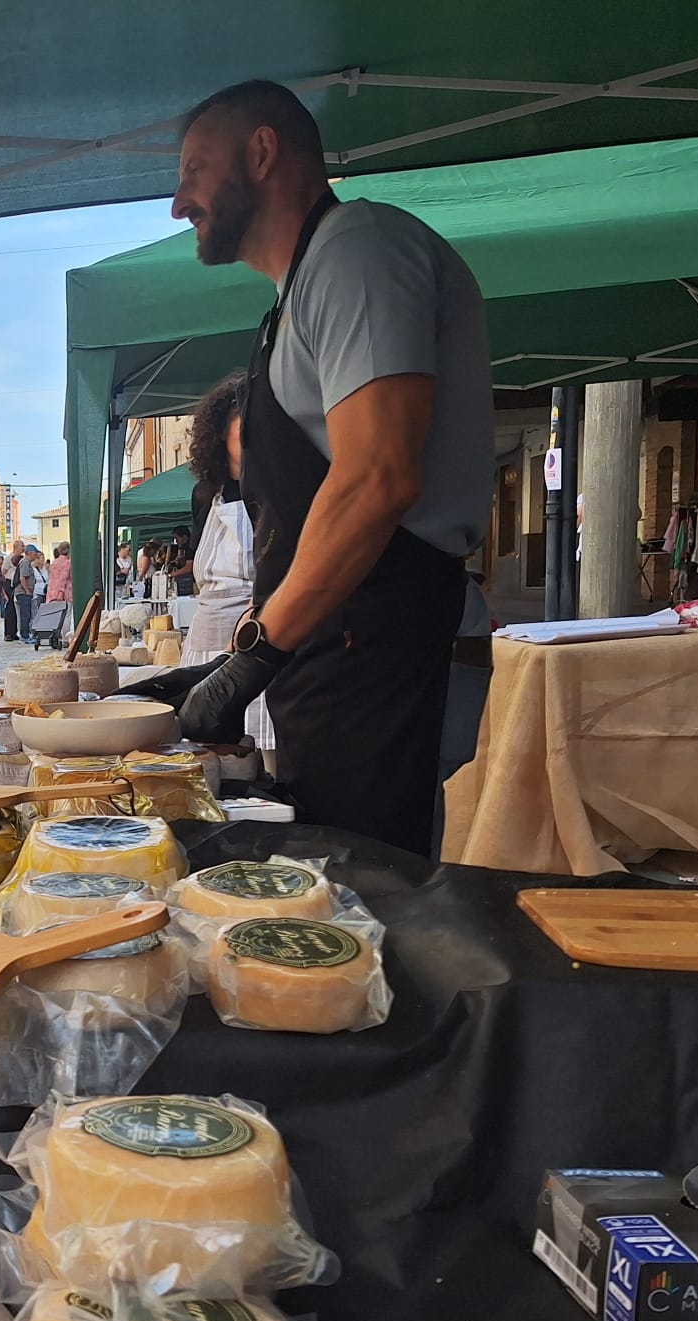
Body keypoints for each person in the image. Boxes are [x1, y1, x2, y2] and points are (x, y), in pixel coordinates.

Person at [144, 78, 491, 855]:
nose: (179, 203)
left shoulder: (357, 249)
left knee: (372, 893)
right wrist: (236, 657)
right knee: (330, 884)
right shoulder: (295, 294)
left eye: (194, 171)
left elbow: (377, 477)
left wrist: (255, 656)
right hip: (333, 652)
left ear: (262, 152)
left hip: (374, 646)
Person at [177, 372, 274, 758]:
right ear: (219, 431)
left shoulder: (275, 489)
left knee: (262, 745)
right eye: (243, 425)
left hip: (259, 629)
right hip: (207, 633)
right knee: (206, 746)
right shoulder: (205, 495)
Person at [3, 537, 36, 642]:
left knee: (21, 613)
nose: (23, 548)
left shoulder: (22, 560)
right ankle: (23, 635)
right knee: (22, 613)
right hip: (15, 587)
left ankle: (17, 633)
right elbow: (22, 577)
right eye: (22, 546)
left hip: (18, 588)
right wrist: (26, 590)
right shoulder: (22, 561)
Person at [169, 526, 196, 596]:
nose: (176, 541)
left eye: (177, 538)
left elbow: (189, 567)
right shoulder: (187, 547)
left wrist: (172, 574)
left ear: (184, 537)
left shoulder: (191, 547)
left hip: (194, 580)